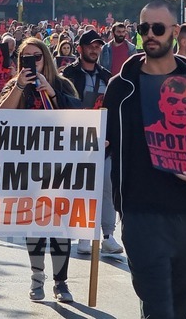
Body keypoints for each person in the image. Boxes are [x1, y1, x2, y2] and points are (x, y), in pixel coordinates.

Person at [104, 0, 186, 319]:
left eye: (158, 28)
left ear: (174, 33)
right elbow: (101, 142)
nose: (150, 35)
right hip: (140, 218)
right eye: (143, 28)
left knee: (178, 313)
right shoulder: (121, 87)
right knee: (159, 312)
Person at [0, 37, 80, 303]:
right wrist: (20, 86)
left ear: (46, 58)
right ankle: (36, 277)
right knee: (34, 223)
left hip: (60, 165)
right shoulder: (14, 86)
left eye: (37, 56)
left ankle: (61, 281)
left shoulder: (62, 84)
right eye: (26, 57)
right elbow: (0, 117)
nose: (32, 61)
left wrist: (52, 93)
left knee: (60, 224)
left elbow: (77, 118)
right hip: (27, 165)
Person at [61, 28, 123, 257]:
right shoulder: (68, 74)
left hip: (104, 141)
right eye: (90, 46)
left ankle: (107, 235)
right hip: (77, 141)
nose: (95, 49)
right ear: (80, 49)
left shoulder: (107, 76)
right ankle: (84, 235)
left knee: (107, 188)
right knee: (81, 189)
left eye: (98, 46)